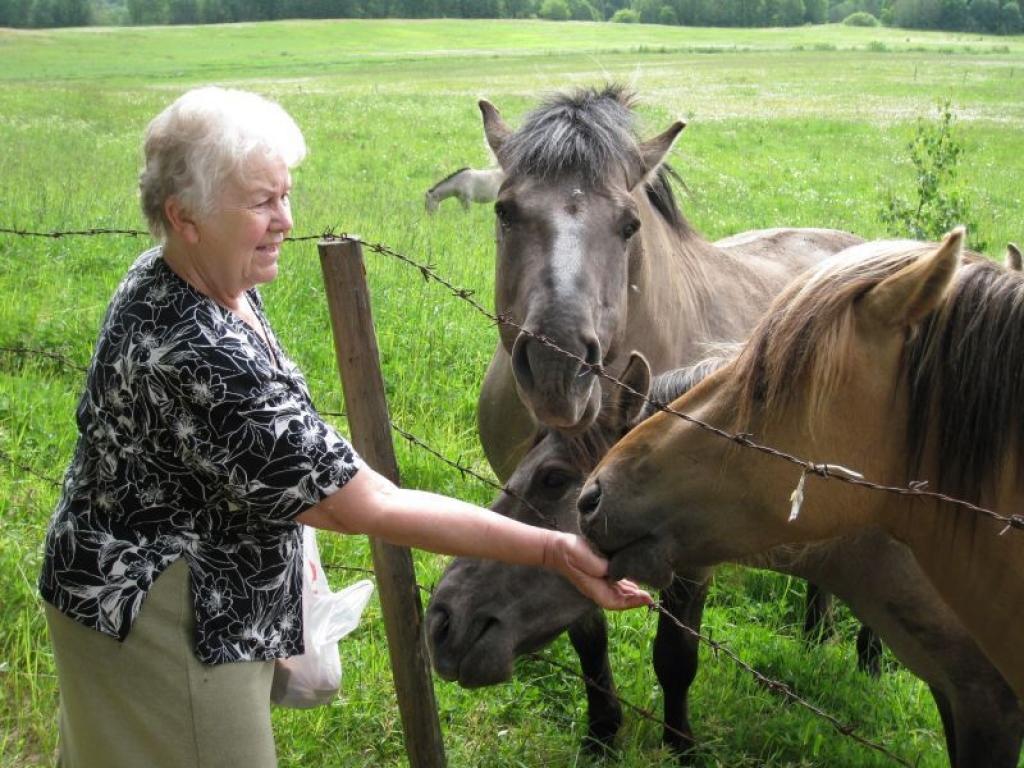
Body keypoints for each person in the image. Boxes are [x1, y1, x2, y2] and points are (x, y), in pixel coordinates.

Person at [38, 86, 651, 768]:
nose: (286, 220)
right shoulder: (197, 350)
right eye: (261, 203)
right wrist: (550, 550)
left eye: (285, 194)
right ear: (185, 216)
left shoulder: (183, 279)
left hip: (119, 590)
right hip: (162, 624)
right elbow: (366, 504)